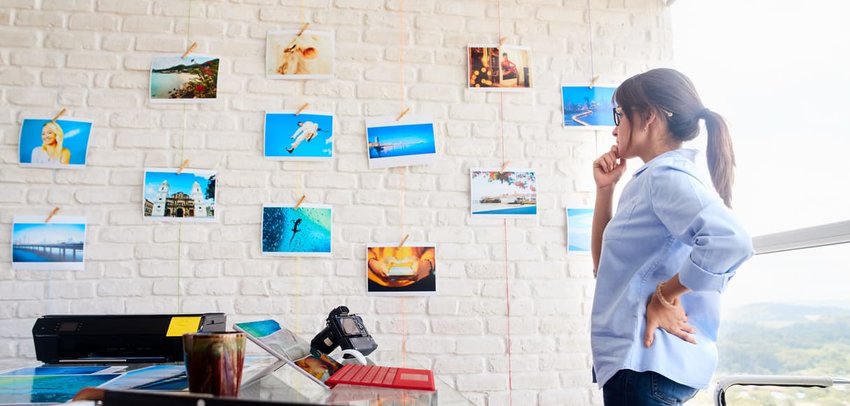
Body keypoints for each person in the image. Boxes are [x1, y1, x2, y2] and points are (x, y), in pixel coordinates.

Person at [590, 68, 753, 405]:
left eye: (618, 114)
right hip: (646, 367)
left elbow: (731, 240)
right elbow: (603, 266)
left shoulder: (664, 176)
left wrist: (665, 295)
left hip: (644, 367)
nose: (613, 127)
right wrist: (605, 191)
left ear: (648, 116)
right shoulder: (651, 179)